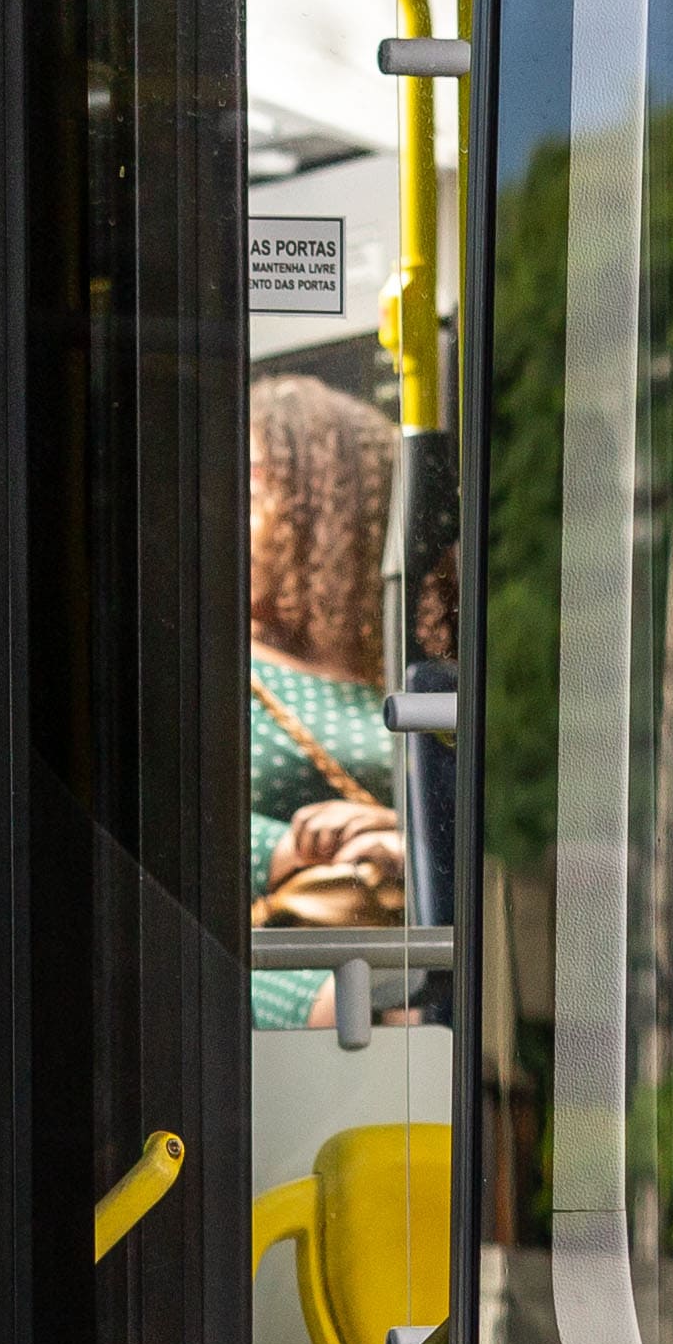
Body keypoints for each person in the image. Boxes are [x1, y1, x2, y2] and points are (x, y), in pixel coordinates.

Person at [242, 372, 413, 1026]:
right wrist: (291, 848)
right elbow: (148, 823)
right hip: (253, 953)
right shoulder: (212, 660)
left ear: (323, 514)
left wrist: (405, 842)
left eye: (251, 488)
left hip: (395, 940)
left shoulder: (405, 669)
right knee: (375, 1011)